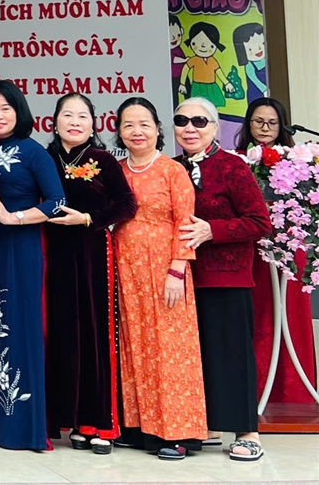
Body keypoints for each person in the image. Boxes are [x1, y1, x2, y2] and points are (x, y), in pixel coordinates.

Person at [174, 97, 272, 463]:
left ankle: (247, 431)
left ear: (215, 127)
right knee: (195, 357)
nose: (190, 128)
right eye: (182, 120)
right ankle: (207, 425)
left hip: (226, 277)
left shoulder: (233, 166)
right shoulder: (172, 168)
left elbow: (260, 222)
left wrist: (211, 230)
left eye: (199, 121)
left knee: (232, 355)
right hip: (181, 279)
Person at [112, 96, 207, 459]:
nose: (136, 131)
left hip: (166, 270)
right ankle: (141, 429)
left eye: (144, 124)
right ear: (119, 132)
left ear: (157, 129)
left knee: (171, 350)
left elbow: (186, 223)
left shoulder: (172, 170)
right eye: (128, 125)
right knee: (135, 348)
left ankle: (178, 433)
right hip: (126, 270)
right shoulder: (115, 171)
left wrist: (177, 270)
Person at [43, 93, 136, 454]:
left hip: (92, 253)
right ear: (54, 122)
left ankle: (101, 423)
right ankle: (71, 419)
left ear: (93, 123)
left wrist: (88, 219)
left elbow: (127, 204)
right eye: (68, 115)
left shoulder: (103, 160)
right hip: (51, 254)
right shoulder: (44, 158)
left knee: (95, 334)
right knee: (61, 334)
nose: (75, 122)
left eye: (82, 116)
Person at [0, 80, 62, 452]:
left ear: (19, 111)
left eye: (5, 108)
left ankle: (22, 428)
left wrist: (15, 218)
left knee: (17, 328)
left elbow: (56, 202)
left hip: (19, 247)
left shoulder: (33, 152)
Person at [236, 97, 317, 410]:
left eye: (272, 122)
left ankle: (295, 395)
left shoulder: (300, 161)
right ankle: (257, 393)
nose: (265, 128)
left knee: (292, 315)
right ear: (248, 124)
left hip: (290, 247)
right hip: (254, 248)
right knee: (259, 314)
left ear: (282, 126)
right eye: (258, 121)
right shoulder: (237, 160)